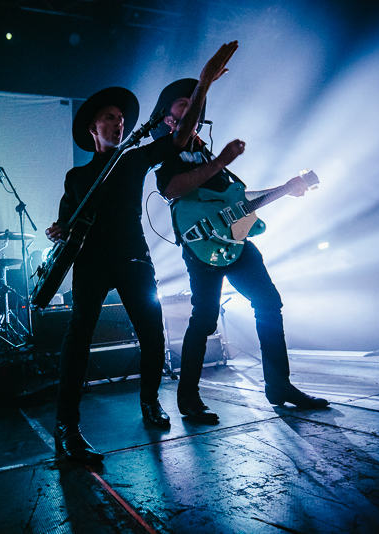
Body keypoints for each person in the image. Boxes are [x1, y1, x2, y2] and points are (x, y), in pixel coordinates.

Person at [45, 42, 239, 464]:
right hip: (91, 262)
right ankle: (66, 426)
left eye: (120, 119)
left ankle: (150, 402)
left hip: (133, 257)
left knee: (152, 334)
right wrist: (58, 231)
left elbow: (180, 136)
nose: (117, 124)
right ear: (93, 128)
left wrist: (203, 84)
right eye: (109, 118)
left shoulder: (134, 160)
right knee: (78, 338)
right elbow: (65, 224)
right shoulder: (76, 176)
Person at [151, 78, 329, 424]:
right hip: (202, 246)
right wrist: (220, 161)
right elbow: (172, 188)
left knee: (268, 302)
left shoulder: (204, 153)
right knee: (204, 319)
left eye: (194, 103)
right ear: (168, 117)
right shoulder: (167, 152)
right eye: (182, 104)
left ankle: (279, 385)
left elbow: (236, 200)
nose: (191, 107)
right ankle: (188, 398)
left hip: (235, 242)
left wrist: (285, 189)